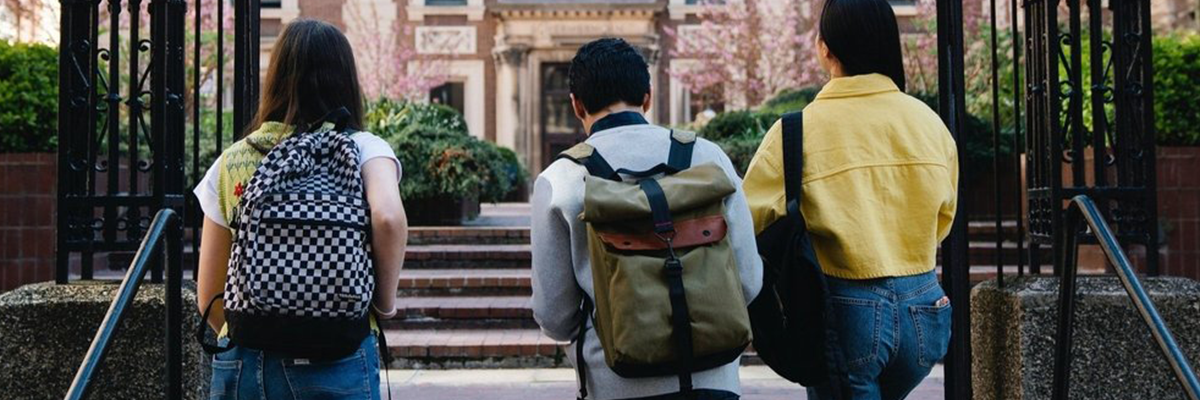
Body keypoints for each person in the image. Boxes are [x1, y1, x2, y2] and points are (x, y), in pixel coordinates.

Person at [742, 0, 959, 398]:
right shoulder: (929, 123)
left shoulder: (796, 131)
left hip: (845, 311)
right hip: (926, 308)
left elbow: (747, 222)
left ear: (824, 48)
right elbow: (945, 214)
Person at [530, 37, 763, 400]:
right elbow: (748, 280)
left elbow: (555, 317)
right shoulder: (707, 157)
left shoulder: (560, 179)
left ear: (576, 105)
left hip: (616, 383)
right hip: (715, 379)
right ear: (648, 97)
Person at [193, 19, 406, 400]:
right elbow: (388, 217)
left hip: (246, 360)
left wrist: (265, 328)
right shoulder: (364, 148)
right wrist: (382, 305)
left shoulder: (232, 161)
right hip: (337, 355)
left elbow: (209, 293)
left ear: (275, 78)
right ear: (345, 79)